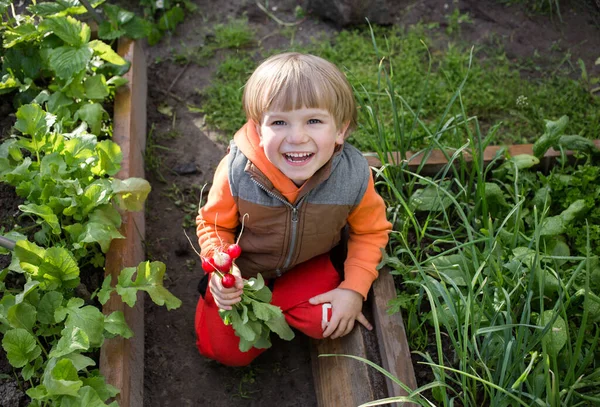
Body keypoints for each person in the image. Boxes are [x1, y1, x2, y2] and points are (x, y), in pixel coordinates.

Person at [194, 52, 392, 366]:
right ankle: (244, 305)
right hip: (247, 273)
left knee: (330, 321)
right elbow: (213, 225)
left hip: (306, 267)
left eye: (314, 121)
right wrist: (222, 269)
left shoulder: (353, 176)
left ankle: (282, 310)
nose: (297, 137)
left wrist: (354, 289)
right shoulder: (236, 172)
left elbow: (370, 232)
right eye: (279, 122)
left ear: (340, 129)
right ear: (259, 130)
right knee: (224, 353)